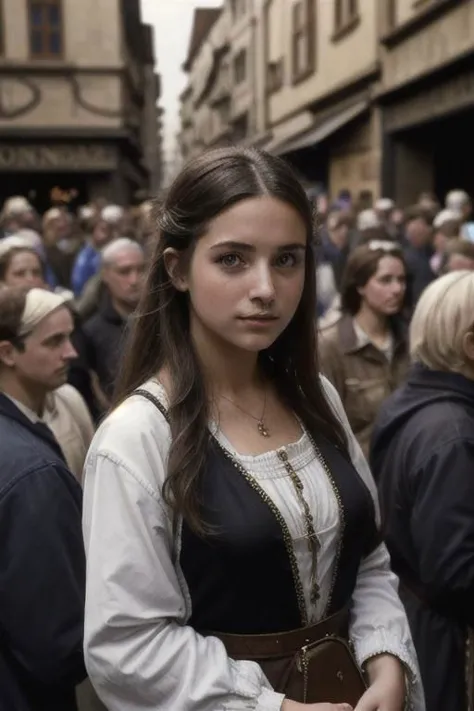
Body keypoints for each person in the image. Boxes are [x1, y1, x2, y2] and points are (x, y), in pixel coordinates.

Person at [82, 147, 423, 711]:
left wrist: (384, 660)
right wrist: (274, 707)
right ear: (177, 269)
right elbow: (127, 644)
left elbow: (367, 559)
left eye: (287, 260)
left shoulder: (317, 397)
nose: (266, 287)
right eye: (233, 260)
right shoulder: (137, 438)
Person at [370, 271, 474, 711]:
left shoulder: (415, 400)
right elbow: (456, 572)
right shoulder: (453, 434)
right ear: (470, 346)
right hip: (440, 642)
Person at [0, 286, 86, 710]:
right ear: (8, 352)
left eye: (69, 337)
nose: (70, 352)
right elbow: (56, 643)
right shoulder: (33, 473)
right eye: (53, 341)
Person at [319, 242, 409, 458]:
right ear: (360, 286)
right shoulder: (331, 345)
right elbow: (325, 428)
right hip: (364, 471)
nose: (397, 289)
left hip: (408, 466)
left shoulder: (409, 337)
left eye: (401, 280)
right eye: (385, 280)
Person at [83, 238, 145, 407]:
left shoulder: (167, 320)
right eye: (124, 272)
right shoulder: (91, 332)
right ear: (105, 275)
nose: (134, 280)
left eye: (141, 270)